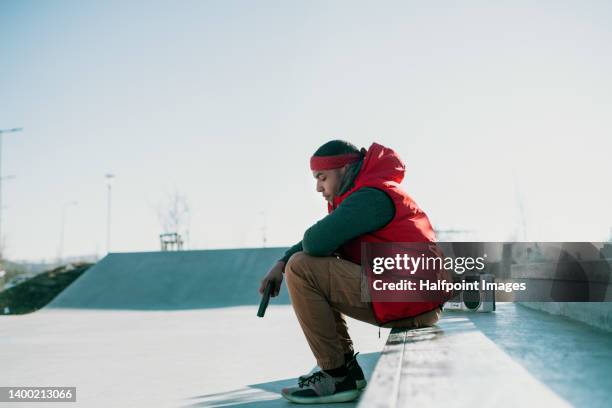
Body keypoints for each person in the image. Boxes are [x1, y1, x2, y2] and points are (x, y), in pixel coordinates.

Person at [259, 140, 443, 404]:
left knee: (301, 268)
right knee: (302, 262)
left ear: (344, 169)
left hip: (410, 300)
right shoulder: (367, 193)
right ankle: (344, 370)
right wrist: (281, 261)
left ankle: (336, 375)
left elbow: (315, 242)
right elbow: (320, 239)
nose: (318, 187)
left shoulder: (370, 197)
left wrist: (286, 263)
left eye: (322, 177)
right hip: (411, 297)